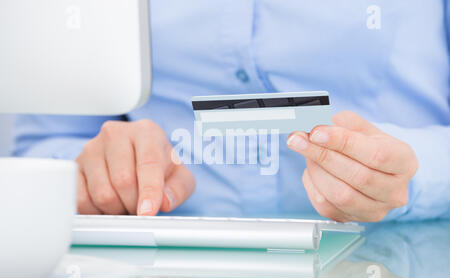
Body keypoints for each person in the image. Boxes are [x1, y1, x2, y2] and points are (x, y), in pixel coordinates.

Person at [13, 1, 450, 222]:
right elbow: (39, 149)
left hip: (395, 261)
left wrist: (416, 174)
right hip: (165, 276)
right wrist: (99, 173)